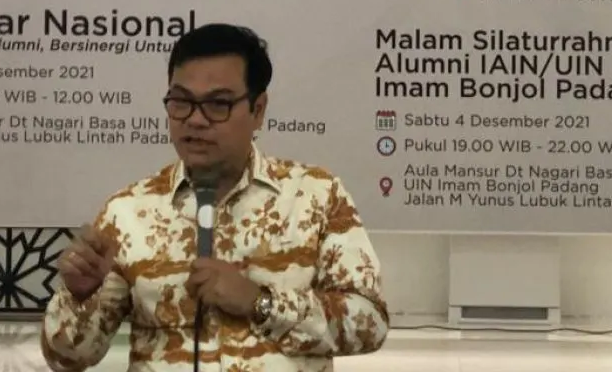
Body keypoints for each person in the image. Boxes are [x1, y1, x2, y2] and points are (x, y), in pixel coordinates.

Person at [40, 23, 389, 371]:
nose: (195, 120)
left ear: (258, 110)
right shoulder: (128, 211)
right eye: (181, 102)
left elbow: (370, 323)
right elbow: (67, 358)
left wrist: (261, 303)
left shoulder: (315, 196)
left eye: (218, 104)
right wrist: (79, 297)